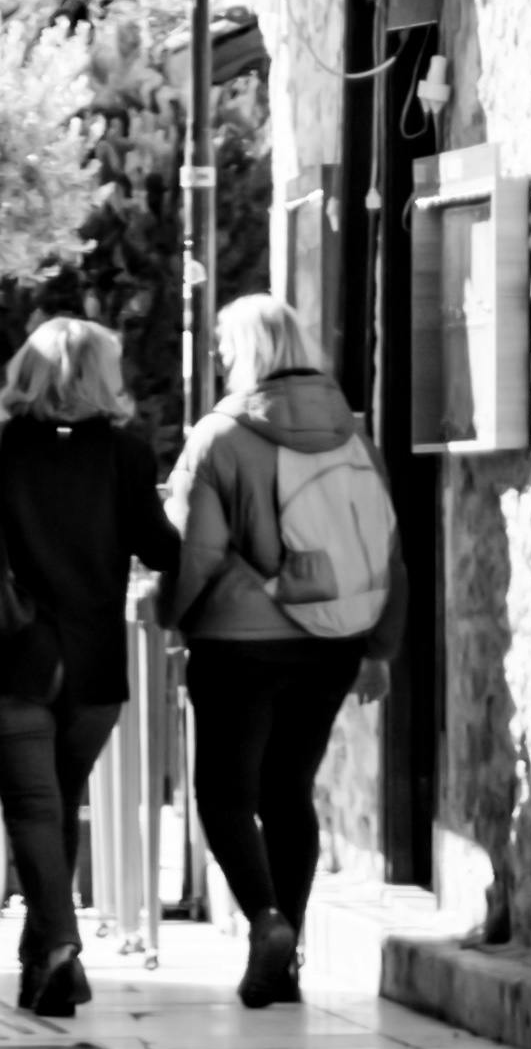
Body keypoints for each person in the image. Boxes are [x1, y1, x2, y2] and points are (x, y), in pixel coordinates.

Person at [168, 293, 397, 1011]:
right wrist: (379, 646)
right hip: (333, 643)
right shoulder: (355, 437)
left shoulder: (220, 436)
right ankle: (286, 955)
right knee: (289, 792)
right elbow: (388, 550)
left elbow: (196, 551)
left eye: (223, 349)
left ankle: (266, 922)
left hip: (239, 644)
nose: (219, 361)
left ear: (244, 353)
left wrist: (174, 618)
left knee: (224, 795)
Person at [0, 314, 174, 1016]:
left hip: (10, 655)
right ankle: (41, 965)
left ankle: (56, 947)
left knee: (32, 806)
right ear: (100, 378)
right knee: (56, 802)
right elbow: (160, 547)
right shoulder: (127, 455)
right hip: (92, 665)